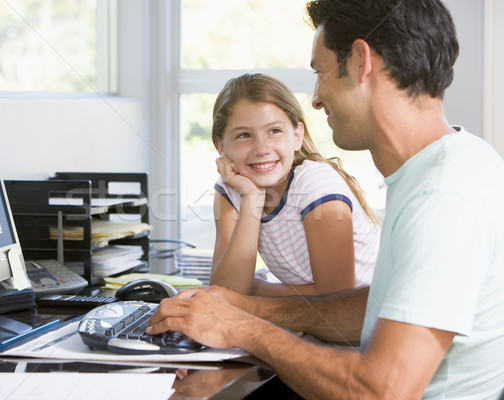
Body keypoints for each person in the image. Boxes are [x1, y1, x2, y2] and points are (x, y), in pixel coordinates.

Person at [148, 0, 504, 398]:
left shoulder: (443, 196)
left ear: (360, 61)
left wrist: (241, 325)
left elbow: (378, 390)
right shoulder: (449, 163)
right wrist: (236, 309)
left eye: (320, 73)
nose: (316, 99)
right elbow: (378, 308)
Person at [210, 73, 380, 297]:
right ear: (220, 145)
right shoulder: (233, 188)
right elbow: (224, 293)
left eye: (274, 131)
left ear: (297, 136)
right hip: (313, 322)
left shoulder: (314, 184)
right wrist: (252, 198)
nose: (261, 149)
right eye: (243, 135)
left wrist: (257, 289)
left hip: (364, 322)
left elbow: (336, 299)